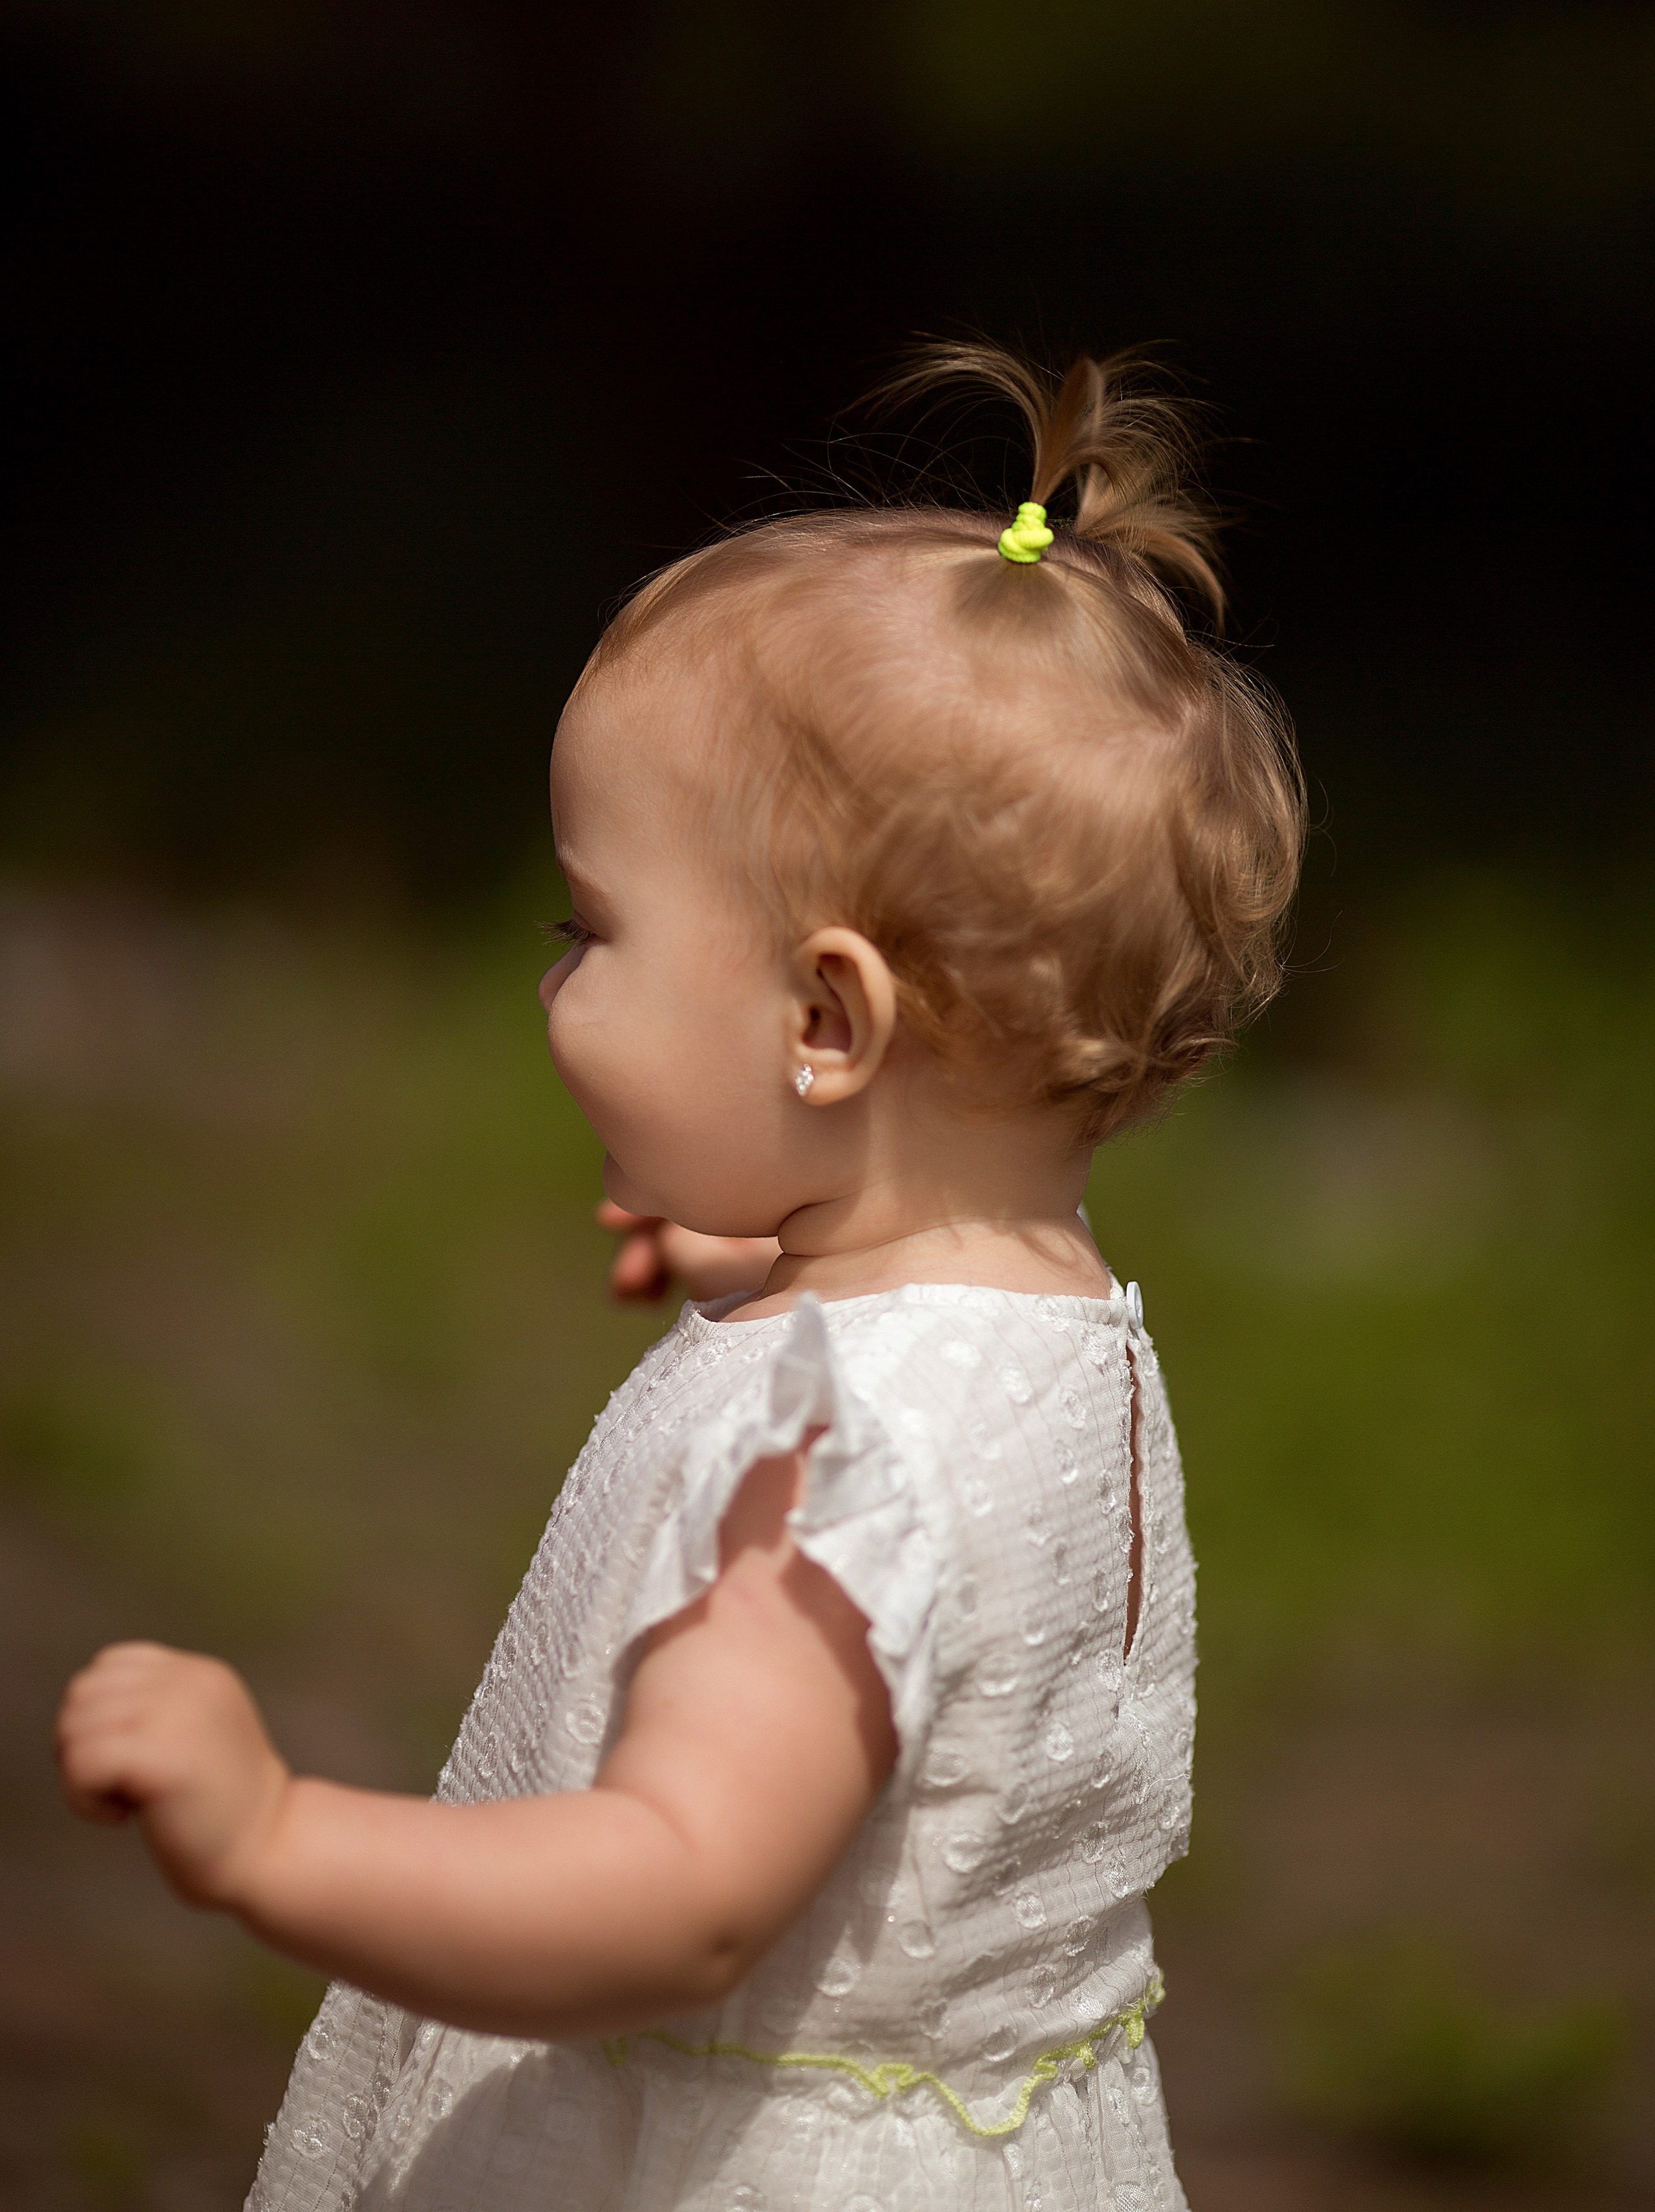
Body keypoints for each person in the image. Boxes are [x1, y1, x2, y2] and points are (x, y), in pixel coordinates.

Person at [55, 344, 1303, 2211]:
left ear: (826, 1019)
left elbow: (684, 1893)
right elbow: (907, 1324)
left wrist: (279, 1837)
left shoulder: (845, 1476)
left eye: (592, 928)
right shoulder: (1044, 1316)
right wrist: (760, 1260)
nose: (553, 983)